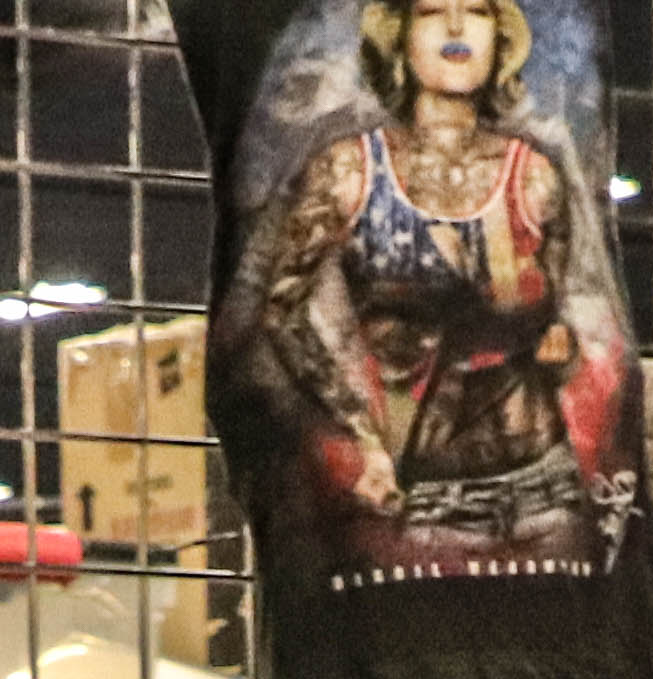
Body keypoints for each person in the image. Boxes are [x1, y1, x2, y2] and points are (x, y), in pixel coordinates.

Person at [233, 0, 628, 577]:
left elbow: (560, 319)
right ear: (399, 36)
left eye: (477, 11)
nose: (455, 27)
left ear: (501, 37)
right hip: (427, 497)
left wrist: (559, 344)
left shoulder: (536, 177)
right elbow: (280, 311)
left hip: (545, 485)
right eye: (432, 11)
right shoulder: (350, 170)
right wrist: (360, 433)